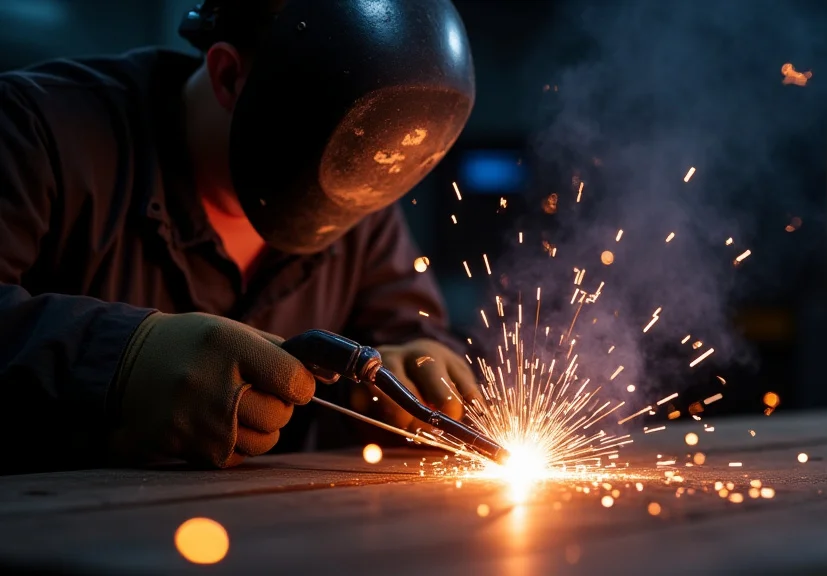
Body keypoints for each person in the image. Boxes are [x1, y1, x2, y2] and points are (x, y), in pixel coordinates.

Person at [0, 0, 481, 475]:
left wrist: (414, 370)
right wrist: (117, 360)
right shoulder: (34, 131)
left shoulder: (361, 200)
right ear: (230, 76)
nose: (364, 173)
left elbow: (409, 332)